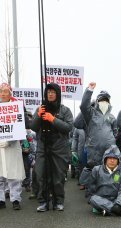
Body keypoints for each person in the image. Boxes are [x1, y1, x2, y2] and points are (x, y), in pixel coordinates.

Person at [30, 83, 74, 212]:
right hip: (43, 145)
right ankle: (43, 202)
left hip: (59, 147)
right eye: (48, 92)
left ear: (58, 94)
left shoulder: (65, 110)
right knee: (40, 174)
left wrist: (52, 119)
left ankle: (58, 201)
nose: (50, 94)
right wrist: (39, 115)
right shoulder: (40, 108)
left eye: (53, 92)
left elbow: (68, 127)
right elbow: (33, 127)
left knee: (58, 176)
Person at [85, 145, 121, 217]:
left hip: (119, 200)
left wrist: (118, 204)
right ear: (105, 159)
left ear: (118, 160)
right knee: (93, 199)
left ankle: (108, 210)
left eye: (114, 158)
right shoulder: (97, 169)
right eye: (110, 158)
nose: (112, 160)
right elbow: (86, 183)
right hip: (102, 199)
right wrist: (86, 169)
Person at [79, 83, 117, 175]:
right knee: (94, 173)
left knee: (108, 173)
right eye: (101, 100)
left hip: (109, 150)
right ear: (97, 101)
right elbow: (83, 106)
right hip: (94, 150)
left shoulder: (112, 117)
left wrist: (112, 142)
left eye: (106, 100)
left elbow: (115, 132)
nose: (104, 102)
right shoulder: (91, 114)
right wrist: (89, 90)